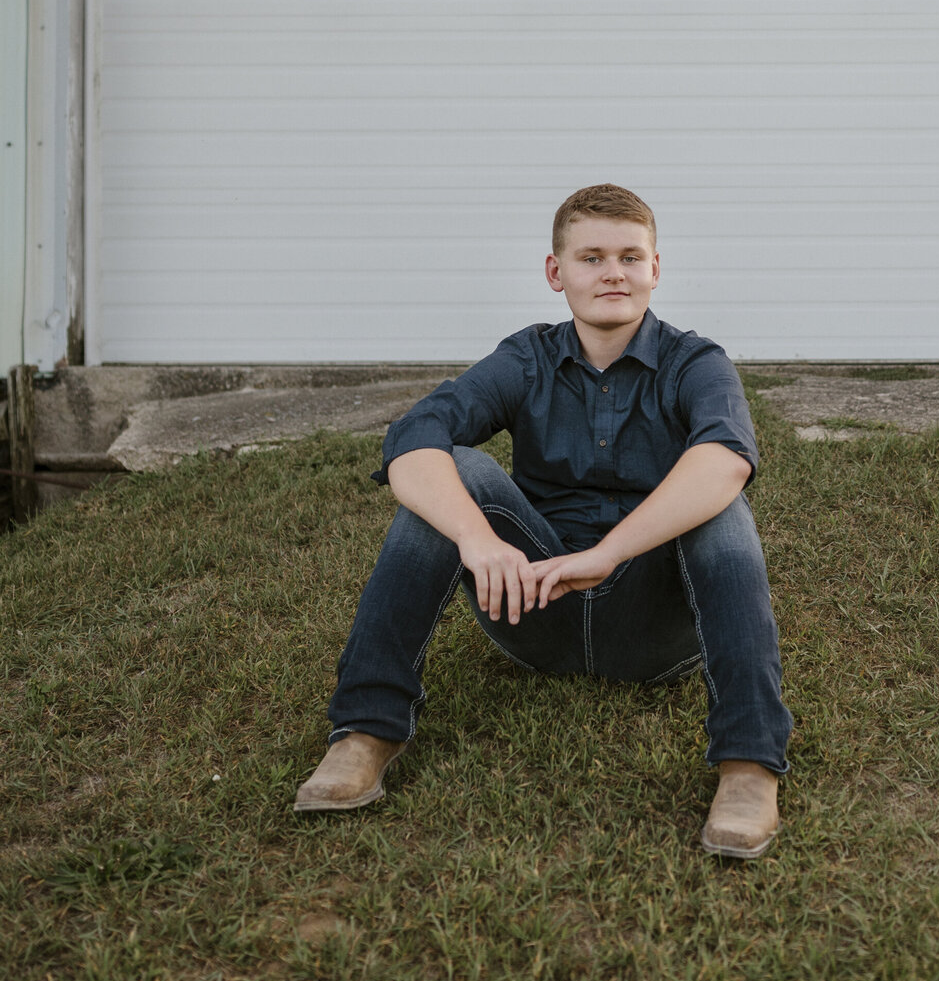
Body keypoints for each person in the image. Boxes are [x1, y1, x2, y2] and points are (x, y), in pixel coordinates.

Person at [294, 183, 793, 857]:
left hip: (655, 625)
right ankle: (364, 733)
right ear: (556, 272)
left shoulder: (695, 362)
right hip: (535, 608)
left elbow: (726, 458)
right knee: (457, 472)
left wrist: (611, 551)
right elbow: (415, 435)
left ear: (655, 268)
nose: (613, 272)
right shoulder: (526, 358)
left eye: (629, 256)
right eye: (591, 257)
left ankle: (748, 766)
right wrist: (476, 537)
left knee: (718, 500)